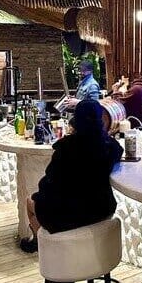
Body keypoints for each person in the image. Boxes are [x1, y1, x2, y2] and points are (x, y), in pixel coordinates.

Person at [20, 99, 123, 254]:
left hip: (69, 214)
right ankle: (55, 250)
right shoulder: (110, 146)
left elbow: (49, 181)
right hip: (102, 210)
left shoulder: (65, 147)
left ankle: (42, 245)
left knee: (30, 201)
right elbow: (119, 151)